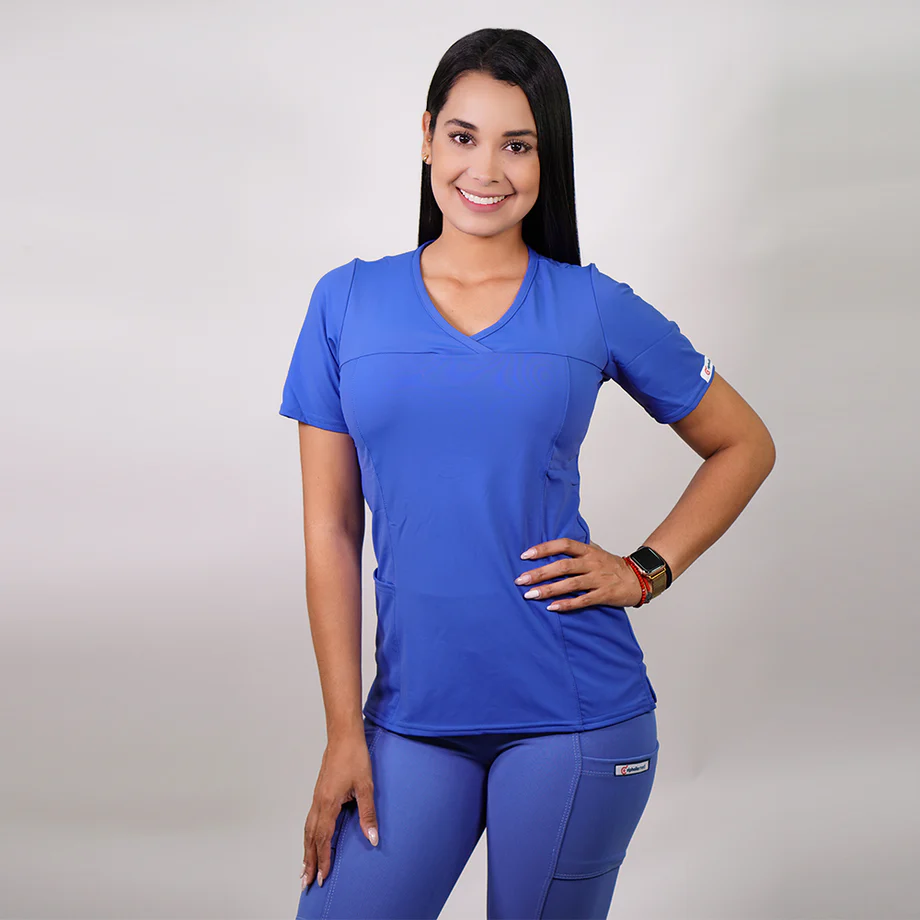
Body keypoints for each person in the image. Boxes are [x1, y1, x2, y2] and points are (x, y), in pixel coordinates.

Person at [279, 28, 775, 920]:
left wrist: (643, 570)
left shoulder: (591, 305)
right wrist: (342, 730)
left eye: (518, 144)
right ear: (426, 136)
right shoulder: (344, 303)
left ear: (549, 160)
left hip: (575, 715)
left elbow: (743, 444)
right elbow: (332, 531)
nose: (487, 170)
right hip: (410, 720)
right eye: (463, 136)